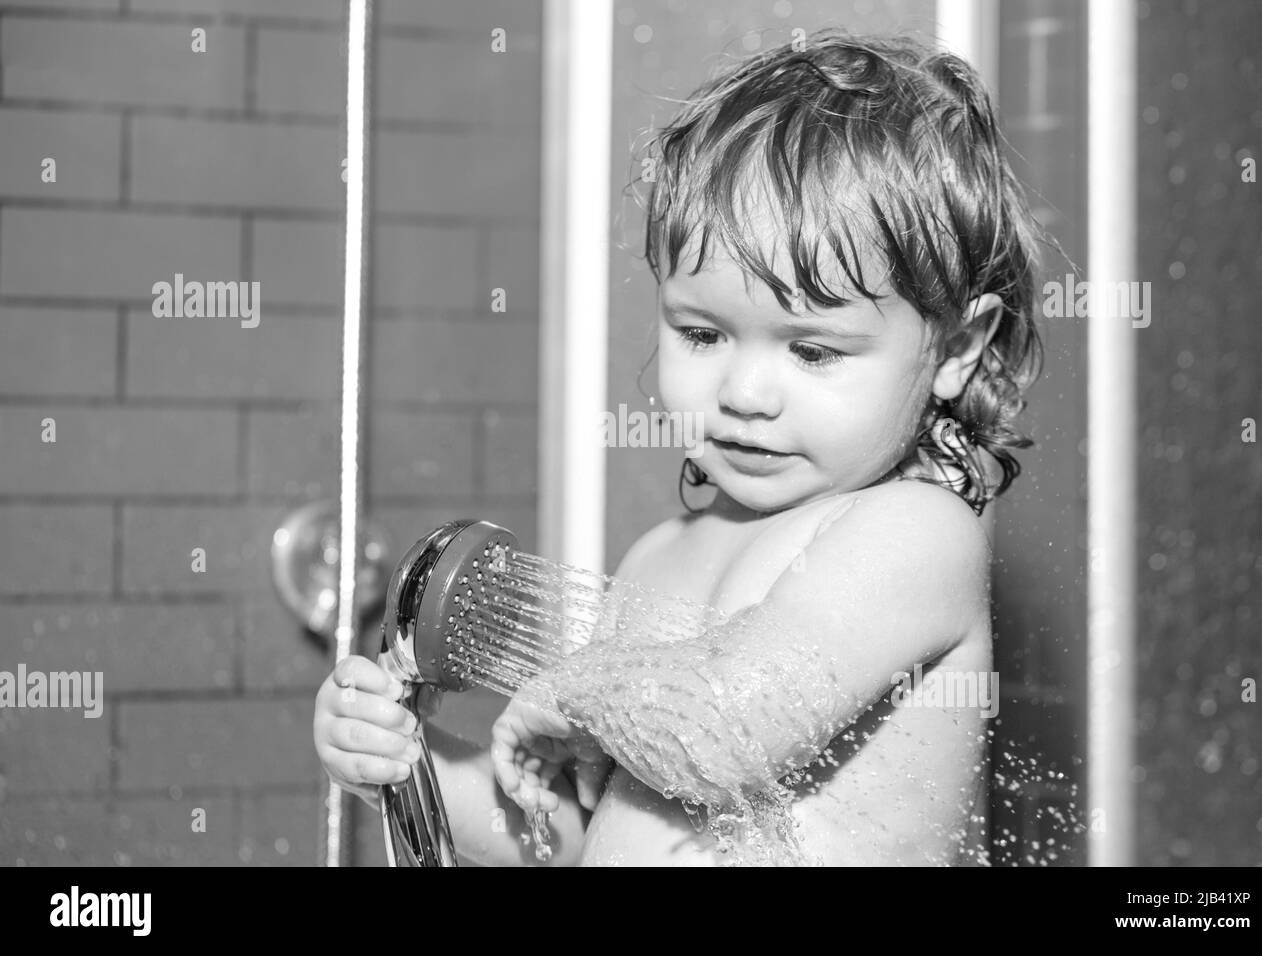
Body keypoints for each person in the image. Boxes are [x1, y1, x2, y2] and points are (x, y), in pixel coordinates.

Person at [314, 28, 1052, 866]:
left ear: (956, 348)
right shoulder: (656, 560)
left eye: (811, 351)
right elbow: (570, 841)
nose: (743, 393)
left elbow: (730, 726)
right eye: (702, 333)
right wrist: (410, 764)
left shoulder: (912, 535)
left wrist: (568, 694)